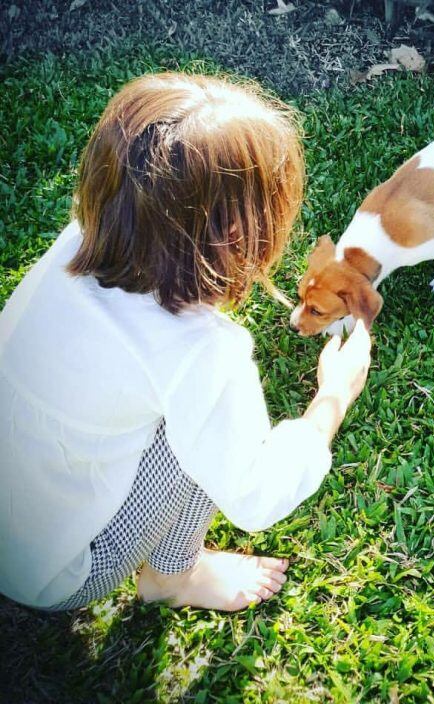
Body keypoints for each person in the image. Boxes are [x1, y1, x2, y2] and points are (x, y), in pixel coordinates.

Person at [0, 72, 372, 612]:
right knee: (197, 434)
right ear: (239, 236)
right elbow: (254, 491)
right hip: (50, 576)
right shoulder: (200, 350)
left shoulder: (76, 241)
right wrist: (332, 398)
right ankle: (173, 580)